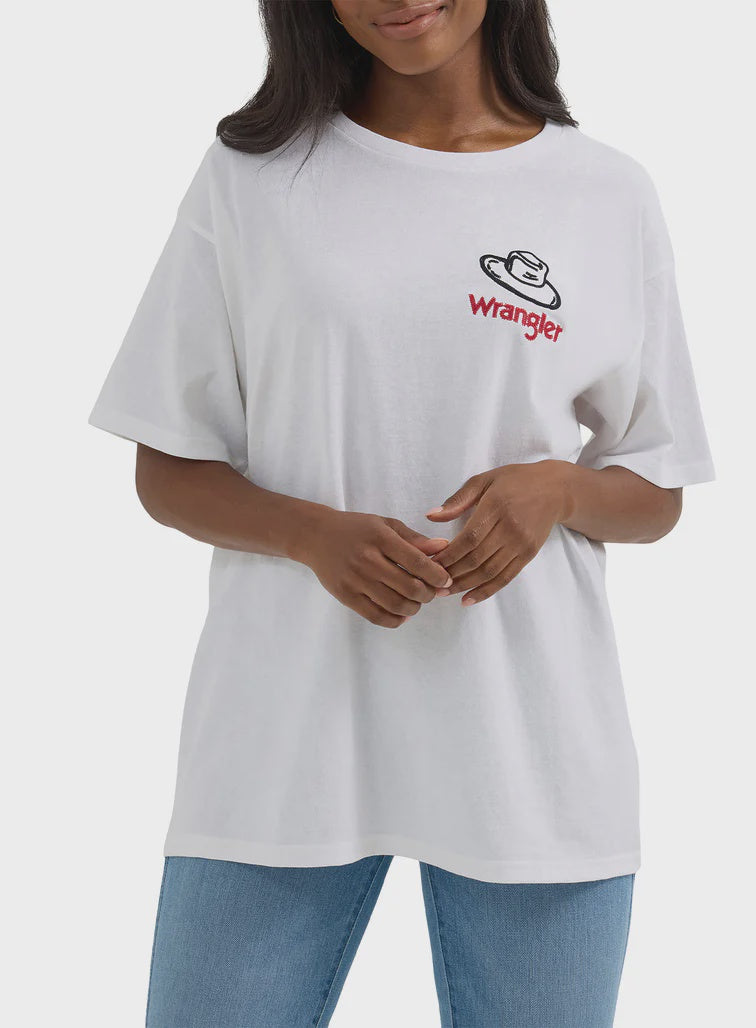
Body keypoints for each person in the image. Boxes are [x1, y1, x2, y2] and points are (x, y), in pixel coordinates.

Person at [87, 1, 715, 1025]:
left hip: (529, 742)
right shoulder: (253, 180)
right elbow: (168, 466)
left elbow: (654, 492)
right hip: (282, 736)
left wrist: (558, 488)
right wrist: (310, 535)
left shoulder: (603, 193)